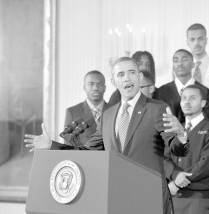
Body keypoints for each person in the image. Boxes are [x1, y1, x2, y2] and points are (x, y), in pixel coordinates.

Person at [25, 57, 189, 214]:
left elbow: (177, 150)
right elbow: (87, 153)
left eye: (131, 72)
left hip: (149, 197)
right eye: (120, 74)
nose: (126, 78)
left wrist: (181, 136)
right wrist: (51, 145)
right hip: (116, 198)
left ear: (139, 77)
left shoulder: (157, 109)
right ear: (113, 82)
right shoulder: (108, 115)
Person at [164, 84, 209, 214]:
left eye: (192, 98)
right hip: (175, 197)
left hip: (199, 198)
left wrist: (178, 182)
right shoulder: (176, 128)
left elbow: (206, 164)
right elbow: (165, 158)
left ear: (203, 103)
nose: (187, 102)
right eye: (184, 98)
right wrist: (175, 175)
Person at [157, 49, 209, 123]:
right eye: (176, 61)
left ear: (193, 64)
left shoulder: (204, 91)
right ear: (173, 65)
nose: (180, 64)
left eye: (185, 60)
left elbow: (208, 119)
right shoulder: (162, 91)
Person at [63, 70, 110, 145]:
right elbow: (68, 145)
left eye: (100, 84)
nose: (95, 88)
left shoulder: (115, 110)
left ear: (105, 88)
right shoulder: (72, 112)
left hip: (109, 156)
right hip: (82, 156)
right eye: (91, 84)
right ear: (84, 87)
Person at [186, 23, 209, 87]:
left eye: (200, 39)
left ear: (206, 41)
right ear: (187, 42)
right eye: (192, 39)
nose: (196, 43)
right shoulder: (183, 67)